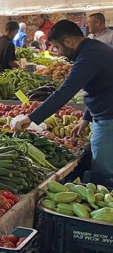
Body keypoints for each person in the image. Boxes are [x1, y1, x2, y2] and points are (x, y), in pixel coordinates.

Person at [11, 20, 113, 181]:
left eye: (57, 47)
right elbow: (100, 89)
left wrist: (31, 118)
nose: (58, 53)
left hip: (109, 122)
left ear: (68, 42)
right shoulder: (94, 48)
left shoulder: (89, 57)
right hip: (105, 116)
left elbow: (64, 92)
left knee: (105, 174)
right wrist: (86, 118)